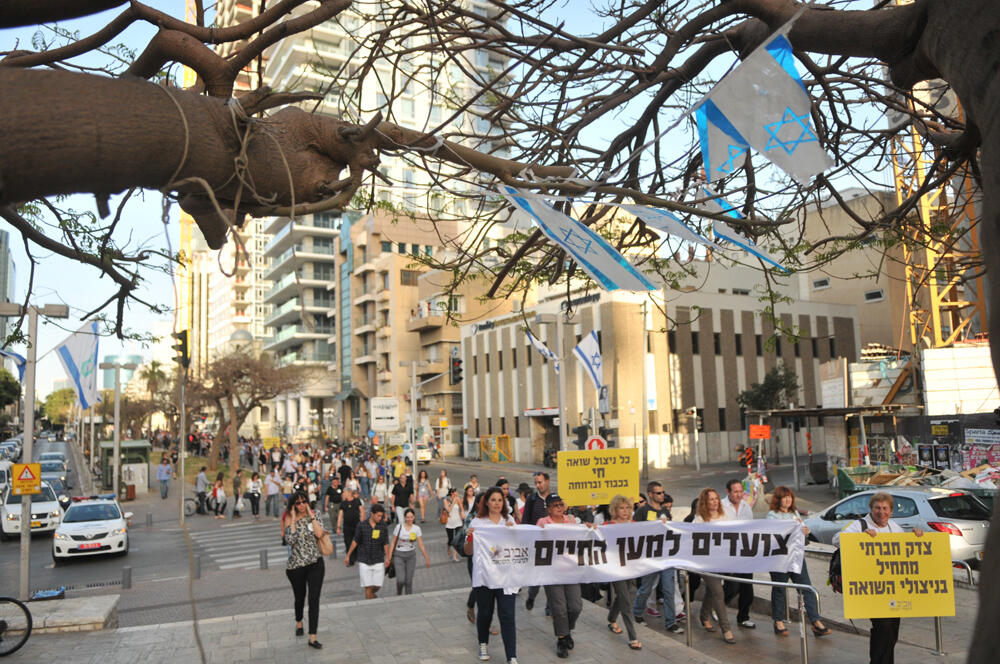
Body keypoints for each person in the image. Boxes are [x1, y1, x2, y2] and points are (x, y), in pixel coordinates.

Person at [834, 492, 923, 664]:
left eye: (885, 508)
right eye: (877, 508)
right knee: (883, 626)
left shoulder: (895, 528)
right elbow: (836, 539)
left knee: (892, 629)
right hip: (870, 589)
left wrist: (917, 536)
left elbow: (905, 552)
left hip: (892, 589)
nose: (881, 512)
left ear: (891, 510)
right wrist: (861, 537)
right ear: (871, 509)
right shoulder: (859, 525)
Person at [766, 486, 832, 637]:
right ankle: (778, 621)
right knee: (780, 589)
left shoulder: (794, 513)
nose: (788, 500)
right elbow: (773, 534)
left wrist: (805, 532)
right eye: (784, 497)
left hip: (796, 557)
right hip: (780, 559)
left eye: (789, 497)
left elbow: (800, 532)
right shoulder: (772, 515)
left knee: (806, 587)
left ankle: (815, 621)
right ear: (778, 499)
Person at [464, 487, 518, 664]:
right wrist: (470, 538)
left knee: (507, 614)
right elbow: (468, 551)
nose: (497, 503)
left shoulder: (509, 520)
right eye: (493, 500)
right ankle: (483, 644)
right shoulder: (478, 522)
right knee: (485, 612)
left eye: (500, 500)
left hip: (506, 577)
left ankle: (511, 656)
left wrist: (513, 532)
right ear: (486, 502)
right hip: (484, 577)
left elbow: (519, 545)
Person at [632, 481, 684, 633]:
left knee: (669, 590)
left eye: (663, 492)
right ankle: (637, 612)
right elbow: (635, 532)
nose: (662, 495)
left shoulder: (665, 511)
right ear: (650, 494)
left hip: (666, 556)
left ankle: (670, 622)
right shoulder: (642, 511)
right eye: (659, 493)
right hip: (650, 557)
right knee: (646, 589)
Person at [536, 493, 585, 658]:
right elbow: (534, 540)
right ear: (548, 508)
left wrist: (589, 528)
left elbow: (582, 537)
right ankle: (562, 639)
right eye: (555, 505)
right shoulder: (543, 523)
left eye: (560, 504)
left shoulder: (571, 520)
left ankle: (567, 630)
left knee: (575, 606)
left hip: (571, 570)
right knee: (559, 607)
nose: (558, 508)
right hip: (552, 572)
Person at [282, 491, 326, 649]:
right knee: (299, 597)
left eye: (304, 502)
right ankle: (299, 621)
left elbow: (319, 534)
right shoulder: (289, 518)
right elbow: (290, 541)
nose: (301, 505)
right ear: (293, 505)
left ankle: (312, 637)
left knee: (314, 599)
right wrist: (294, 519)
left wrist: (311, 515)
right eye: (298, 503)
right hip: (296, 566)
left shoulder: (315, 515)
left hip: (315, 563)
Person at [693, 488, 735, 644]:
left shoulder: (725, 517)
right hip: (705, 563)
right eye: (711, 499)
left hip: (721, 561)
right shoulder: (699, 519)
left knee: (712, 591)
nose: (715, 501)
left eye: (716, 498)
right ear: (705, 502)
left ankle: (704, 616)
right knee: (718, 592)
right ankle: (726, 629)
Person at [605, 494, 641, 650]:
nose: (625, 511)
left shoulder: (634, 524)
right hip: (615, 568)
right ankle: (633, 637)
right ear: (615, 509)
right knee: (626, 601)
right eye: (621, 508)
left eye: (628, 508)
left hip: (631, 567)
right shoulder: (608, 525)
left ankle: (611, 618)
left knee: (627, 594)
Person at [721, 478, 756, 629]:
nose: (739, 495)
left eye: (741, 491)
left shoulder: (745, 506)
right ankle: (718, 607)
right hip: (728, 553)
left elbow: (751, 527)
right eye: (735, 492)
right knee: (732, 586)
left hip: (745, 552)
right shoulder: (721, 506)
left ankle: (743, 617)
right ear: (728, 492)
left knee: (747, 588)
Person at [345, 503, 391, 599]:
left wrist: (388, 557)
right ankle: (370, 603)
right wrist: (348, 555)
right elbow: (355, 541)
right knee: (368, 587)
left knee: (377, 585)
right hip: (364, 559)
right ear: (372, 514)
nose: (380, 518)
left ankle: (372, 596)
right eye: (378, 516)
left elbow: (385, 542)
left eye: (381, 516)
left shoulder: (383, 526)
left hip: (378, 558)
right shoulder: (362, 525)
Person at [521, 471, 552, 611]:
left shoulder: (555, 498)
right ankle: (531, 596)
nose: (538, 485)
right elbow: (525, 521)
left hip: (553, 545)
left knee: (551, 578)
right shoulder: (532, 499)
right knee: (537, 577)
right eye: (536, 483)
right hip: (536, 545)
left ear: (547, 481)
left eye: (540, 482)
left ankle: (550, 607)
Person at [387, 507, 431, 594]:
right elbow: (393, 543)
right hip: (399, 555)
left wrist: (426, 558)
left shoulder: (416, 529)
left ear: (414, 517)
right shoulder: (399, 527)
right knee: (400, 580)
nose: (409, 519)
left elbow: (421, 544)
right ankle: (399, 592)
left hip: (411, 556)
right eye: (407, 517)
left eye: (411, 517)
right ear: (404, 517)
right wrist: (389, 557)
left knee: (408, 581)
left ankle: (409, 598)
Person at [338, 487, 364, 566]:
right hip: (347, 526)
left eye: (344, 492)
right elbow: (340, 515)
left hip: (356, 525)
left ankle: (357, 556)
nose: (343, 494)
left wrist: (362, 523)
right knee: (348, 542)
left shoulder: (357, 501)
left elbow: (362, 512)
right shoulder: (343, 503)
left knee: (357, 541)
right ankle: (351, 559)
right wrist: (338, 526)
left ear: (349, 493)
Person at [443, 486, 465, 562]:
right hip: (449, 522)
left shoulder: (458, 499)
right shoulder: (446, 500)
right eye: (456, 492)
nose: (457, 493)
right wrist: (453, 502)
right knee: (450, 540)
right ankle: (448, 547)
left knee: (457, 539)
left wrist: (462, 513)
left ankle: (455, 556)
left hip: (458, 522)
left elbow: (461, 508)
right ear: (452, 493)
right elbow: (449, 510)